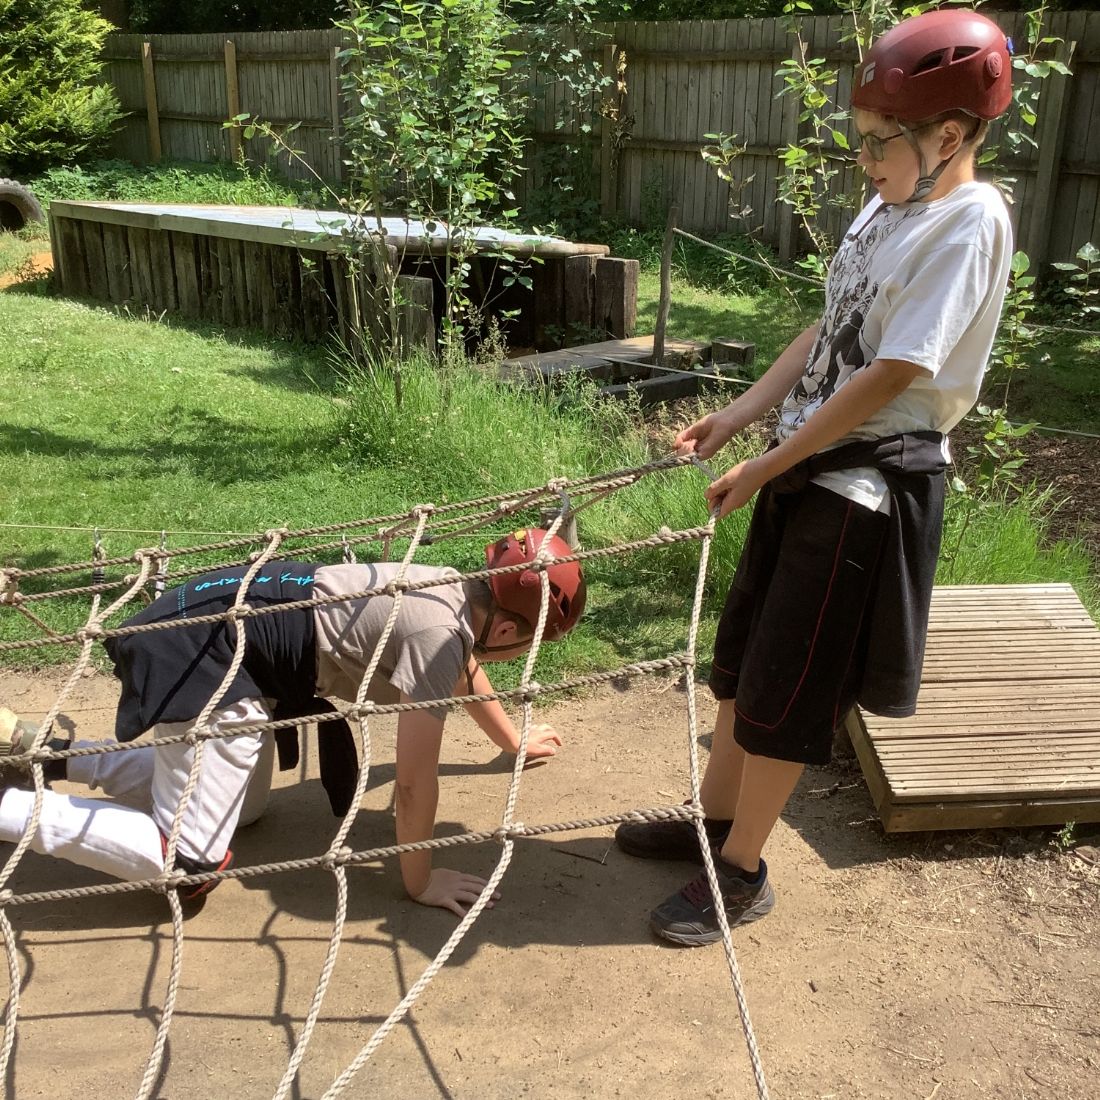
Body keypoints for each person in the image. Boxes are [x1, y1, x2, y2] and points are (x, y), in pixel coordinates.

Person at [616, 9, 1014, 945]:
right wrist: (740, 415)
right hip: (803, 463)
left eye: (880, 141)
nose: (864, 161)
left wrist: (766, 466)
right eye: (862, 139)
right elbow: (829, 325)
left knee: (789, 685)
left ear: (948, 136)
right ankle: (713, 823)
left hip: (862, 490)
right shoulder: (891, 204)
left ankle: (743, 869)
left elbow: (894, 373)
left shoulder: (967, 224)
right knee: (744, 661)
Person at [0, 528, 585, 916]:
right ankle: (8, 807)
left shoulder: (448, 590)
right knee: (188, 864)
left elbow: (466, 672)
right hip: (204, 655)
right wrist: (421, 881)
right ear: (503, 629)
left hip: (214, 634)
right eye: (529, 644)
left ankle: (48, 756)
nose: (520, 656)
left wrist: (512, 741)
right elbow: (412, 784)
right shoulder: (440, 637)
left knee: (246, 811)